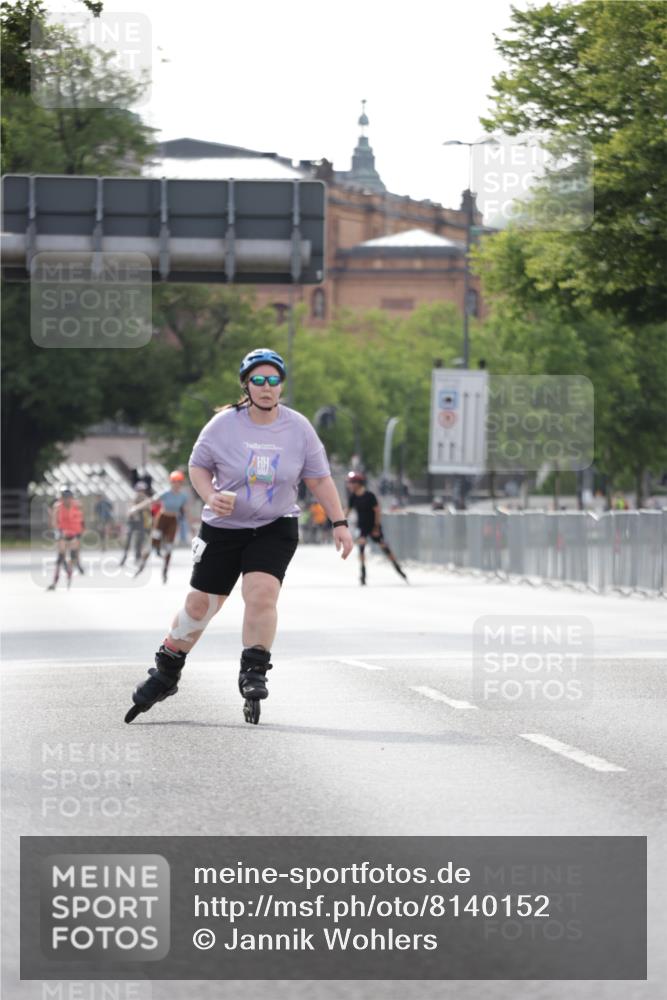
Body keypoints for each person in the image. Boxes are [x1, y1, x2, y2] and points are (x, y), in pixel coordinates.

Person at [125, 348, 354, 725]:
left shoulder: (298, 428)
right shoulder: (222, 425)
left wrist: (339, 522)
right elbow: (197, 466)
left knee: (261, 593)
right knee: (201, 606)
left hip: (275, 526)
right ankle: (166, 671)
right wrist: (210, 495)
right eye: (258, 380)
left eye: (273, 380)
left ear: (281, 385)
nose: (266, 387)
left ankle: (254, 670)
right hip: (223, 529)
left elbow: (318, 478)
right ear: (247, 384)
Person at [344, 471, 408, 586]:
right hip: (362, 527)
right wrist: (340, 523)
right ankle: (363, 573)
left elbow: (377, 511)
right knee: (361, 547)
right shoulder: (353, 497)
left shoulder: (369, 496)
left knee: (385, 548)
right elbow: (347, 512)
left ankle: (397, 568)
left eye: (352, 483)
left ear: (358, 483)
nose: (350, 485)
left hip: (373, 526)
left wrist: (376, 526)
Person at [132, 471, 191, 583]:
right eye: (174, 482)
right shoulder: (166, 493)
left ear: (181, 483)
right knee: (153, 543)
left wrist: (191, 526)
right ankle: (141, 566)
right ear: (171, 482)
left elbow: (185, 511)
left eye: (178, 482)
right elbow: (151, 501)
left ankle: (165, 572)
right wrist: (136, 508)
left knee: (169, 547)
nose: (176, 484)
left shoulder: (183, 496)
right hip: (162, 520)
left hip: (172, 521)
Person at [46, 487, 85, 590]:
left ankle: (70, 573)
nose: (67, 500)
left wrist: (79, 531)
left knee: (73, 556)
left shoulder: (77, 505)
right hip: (62, 531)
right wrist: (58, 531)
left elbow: (80, 520)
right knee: (60, 557)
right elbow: (54, 521)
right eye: (64, 498)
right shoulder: (57, 506)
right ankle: (55, 581)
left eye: (68, 498)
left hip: (74, 532)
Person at [119, 481, 152, 569]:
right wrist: (134, 508)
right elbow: (129, 511)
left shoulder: (145, 499)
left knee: (139, 540)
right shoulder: (133, 498)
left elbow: (148, 506)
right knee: (128, 539)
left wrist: (137, 508)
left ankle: (137, 557)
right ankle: (124, 557)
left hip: (141, 522)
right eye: (139, 490)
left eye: (142, 490)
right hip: (132, 522)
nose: (140, 492)